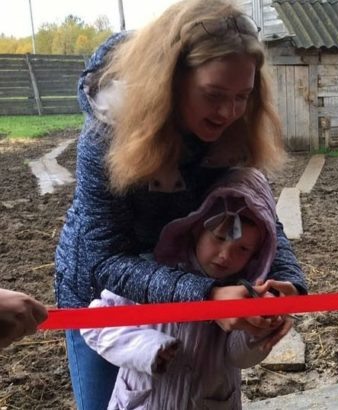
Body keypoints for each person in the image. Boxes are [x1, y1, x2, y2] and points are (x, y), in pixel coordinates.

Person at [54, 1, 307, 408]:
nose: (229, 112)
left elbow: (260, 215)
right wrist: (206, 297)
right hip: (106, 306)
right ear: (169, 81)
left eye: (242, 96)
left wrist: (286, 285)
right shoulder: (107, 137)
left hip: (195, 287)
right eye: (214, 95)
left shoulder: (236, 132)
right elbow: (104, 258)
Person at [81, 167, 293, 409]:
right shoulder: (149, 272)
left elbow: (239, 357)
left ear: (257, 254)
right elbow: (95, 323)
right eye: (219, 237)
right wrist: (146, 348)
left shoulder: (242, 291)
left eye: (243, 249)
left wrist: (257, 331)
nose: (226, 255)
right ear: (196, 228)